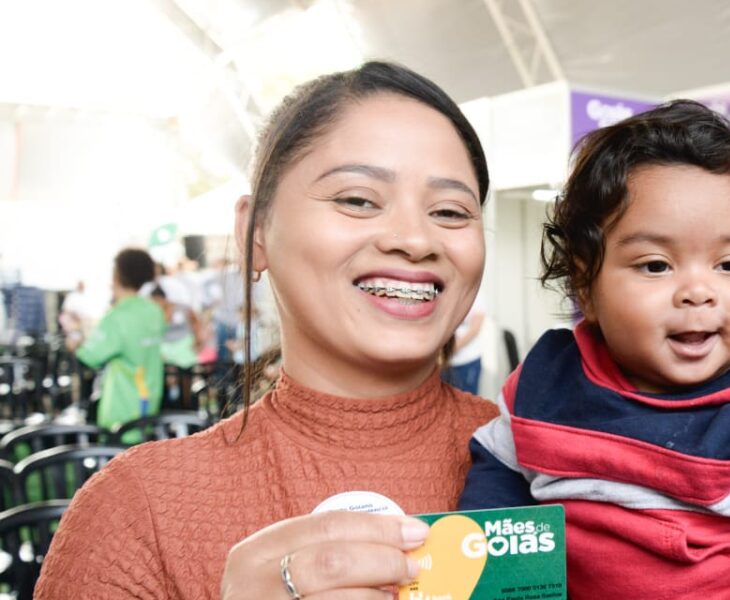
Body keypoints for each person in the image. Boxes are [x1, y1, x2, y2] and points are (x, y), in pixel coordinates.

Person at [36, 61, 498, 599]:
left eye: (450, 211)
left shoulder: (555, 465)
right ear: (254, 231)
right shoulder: (137, 511)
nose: (415, 239)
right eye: (357, 200)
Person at [459, 100, 730, 599]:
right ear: (585, 285)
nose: (698, 291)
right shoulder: (547, 381)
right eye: (656, 265)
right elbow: (499, 486)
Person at [68, 248, 165, 430]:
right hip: (151, 398)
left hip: (123, 407)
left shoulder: (117, 316)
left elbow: (90, 356)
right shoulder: (154, 311)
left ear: (117, 276)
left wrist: (75, 342)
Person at [444, 296, 486, 393]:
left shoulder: (478, 297)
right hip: (445, 363)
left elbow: (475, 329)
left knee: (467, 401)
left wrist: (453, 347)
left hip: (468, 360)